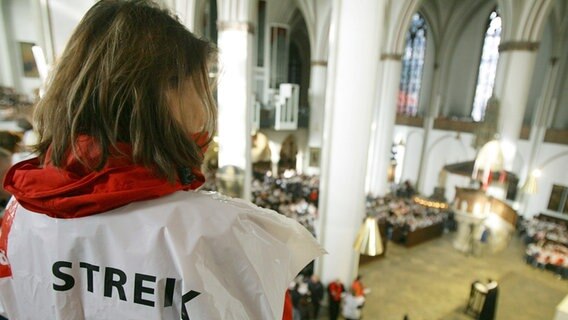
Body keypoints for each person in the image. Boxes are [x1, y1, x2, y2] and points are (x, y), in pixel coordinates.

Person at [0, 1, 324, 319]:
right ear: (164, 97)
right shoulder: (225, 235)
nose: (208, 102)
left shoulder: (18, 214)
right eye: (202, 86)